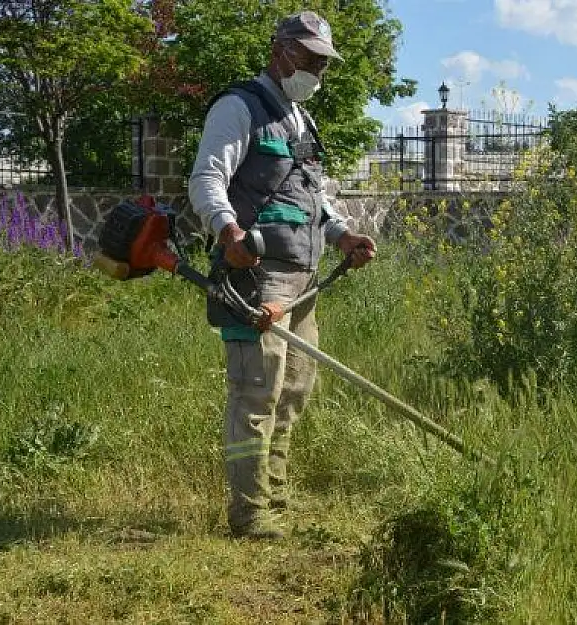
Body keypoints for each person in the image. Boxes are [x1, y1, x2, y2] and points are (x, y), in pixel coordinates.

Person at [187, 10, 377, 540]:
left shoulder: (302, 120)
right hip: (256, 279)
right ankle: (249, 513)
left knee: (293, 392)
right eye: (311, 58)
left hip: (305, 279)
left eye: (323, 62)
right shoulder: (238, 107)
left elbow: (316, 199)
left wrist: (344, 235)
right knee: (256, 394)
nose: (319, 70)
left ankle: (275, 495)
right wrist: (229, 233)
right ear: (282, 51)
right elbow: (206, 179)